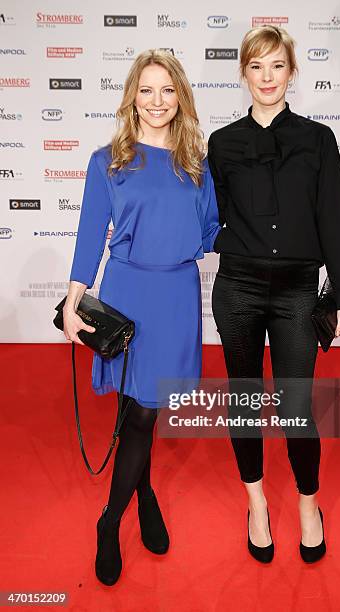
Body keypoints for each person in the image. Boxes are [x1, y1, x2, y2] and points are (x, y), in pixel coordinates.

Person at [63, 49, 221, 585]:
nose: (157, 101)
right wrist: (72, 298)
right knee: (138, 410)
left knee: (145, 411)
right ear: (133, 95)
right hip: (127, 291)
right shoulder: (108, 161)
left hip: (175, 296)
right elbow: (90, 236)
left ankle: (128, 503)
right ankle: (117, 517)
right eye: (146, 90)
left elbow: (208, 233)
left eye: (167, 90)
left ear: (181, 97)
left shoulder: (196, 164)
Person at [208, 25, 340, 564]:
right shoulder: (221, 143)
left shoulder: (318, 139)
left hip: (298, 290)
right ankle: (255, 503)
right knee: (245, 403)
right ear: (243, 73)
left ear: (291, 72)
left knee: (296, 408)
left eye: (277, 66)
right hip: (238, 288)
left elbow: (335, 218)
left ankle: (308, 505)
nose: (267, 78)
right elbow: (205, 217)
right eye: (256, 66)